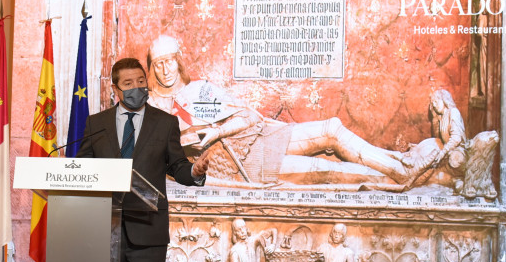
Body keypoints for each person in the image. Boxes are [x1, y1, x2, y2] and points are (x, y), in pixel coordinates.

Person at [146, 35, 414, 188]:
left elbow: (248, 116)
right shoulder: (153, 109)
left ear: (178, 61)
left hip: (262, 136)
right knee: (324, 169)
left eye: (169, 61)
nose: (165, 70)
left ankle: (401, 167)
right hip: (245, 166)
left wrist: (217, 131)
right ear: (152, 69)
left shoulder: (200, 89)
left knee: (331, 128)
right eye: (158, 64)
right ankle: (394, 181)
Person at [77, 57, 209, 262]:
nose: (136, 87)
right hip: (105, 228)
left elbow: (177, 165)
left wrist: (195, 172)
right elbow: (84, 167)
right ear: (115, 89)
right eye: (128, 83)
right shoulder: (96, 124)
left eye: (140, 81)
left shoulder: (165, 123)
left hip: (148, 226)